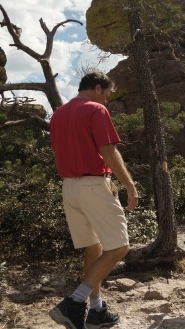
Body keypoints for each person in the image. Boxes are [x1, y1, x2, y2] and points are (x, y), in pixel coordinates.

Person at [49, 71, 139, 329]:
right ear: (98, 88)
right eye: (108, 95)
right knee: (120, 246)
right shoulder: (95, 110)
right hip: (93, 185)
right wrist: (129, 185)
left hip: (69, 187)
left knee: (94, 248)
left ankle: (97, 309)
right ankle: (75, 302)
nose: (108, 101)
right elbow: (108, 150)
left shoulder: (58, 114)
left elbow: (59, 150)